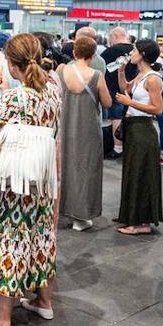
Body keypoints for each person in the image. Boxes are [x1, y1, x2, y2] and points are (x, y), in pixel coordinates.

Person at [0, 34, 63, 326]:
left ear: (9, 62)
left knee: (10, 239)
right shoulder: (52, 92)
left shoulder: (10, 99)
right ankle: (43, 301)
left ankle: (2, 321)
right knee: (39, 236)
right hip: (41, 181)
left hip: (13, 185)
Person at [56, 33, 110, 231]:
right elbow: (107, 103)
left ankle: (64, 210)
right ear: (94, 55)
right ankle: (82, 216)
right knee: (87, 168)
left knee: (65, 166)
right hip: (88, 128)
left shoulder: (61, 70)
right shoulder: (97, 76)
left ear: (73, 52)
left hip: (65, 125)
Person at [114, 39, 163, 235]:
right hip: (134, 129)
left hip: (144, 130)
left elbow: (158, 109)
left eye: (134, 50)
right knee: (133, 172)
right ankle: (132, 216)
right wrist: (120, 71)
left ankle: (141, 223)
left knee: (141, 174)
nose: (131, 53)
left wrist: (129, 103)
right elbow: (124, 89)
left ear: (142, 53)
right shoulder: (141, 75)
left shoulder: (153, 79)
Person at [101, 27, 134, 159]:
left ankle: (117, 148)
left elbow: (101, 69)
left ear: (114, 37)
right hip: (134, 88)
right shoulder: (135, 50)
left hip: (115, 90)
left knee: (116, 117)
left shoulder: (109, 51)